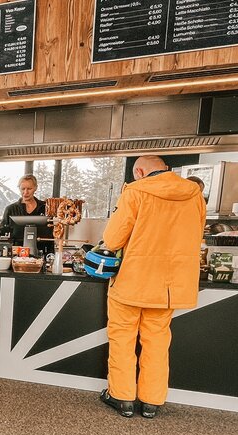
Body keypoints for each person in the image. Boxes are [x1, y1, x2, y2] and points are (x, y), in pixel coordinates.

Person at [98, 155, 206, 419]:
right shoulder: (194, 194)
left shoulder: (135, 192)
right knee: (157, 342)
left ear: (140, 171)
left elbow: (112, 239)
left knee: (122, 339)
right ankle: (151, 402)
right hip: (170, 285)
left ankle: (122, 398)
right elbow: (198, 233)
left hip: (132, 281)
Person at [0, 174, 54, 255]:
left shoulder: (46, 208)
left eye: (29, 189)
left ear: (35, 188)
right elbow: (1, 235)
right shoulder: (11, 209)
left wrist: (51, 255)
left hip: (41, 254)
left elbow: (52, 235)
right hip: (17, 255)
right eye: (23, 189)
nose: (25, 192)